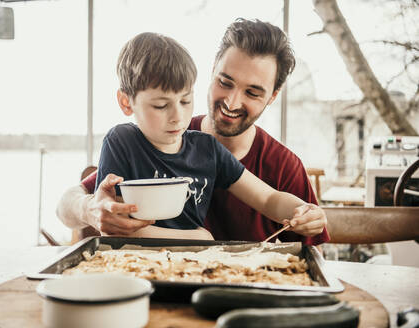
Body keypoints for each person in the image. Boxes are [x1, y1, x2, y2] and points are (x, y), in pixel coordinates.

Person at [57, 19, 329, 244]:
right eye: (225, 82)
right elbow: (88, 212)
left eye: (252, 92)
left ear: (272, 96)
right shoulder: (129, 141)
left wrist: (303, 211)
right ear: (212, 72)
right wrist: (89, 209)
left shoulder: (220, 152)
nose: (177, 117)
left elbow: (269, 198)